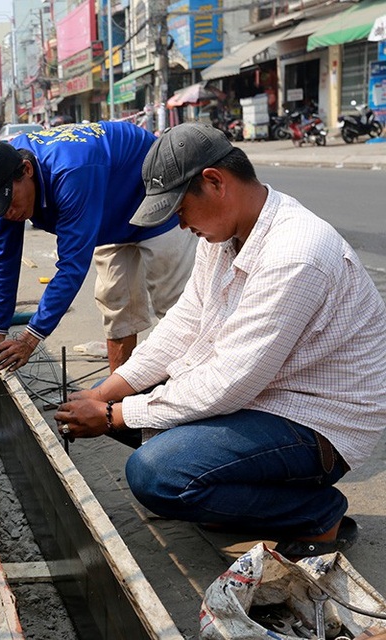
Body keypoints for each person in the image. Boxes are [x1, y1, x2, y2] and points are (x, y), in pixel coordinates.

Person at [55, 122, 386, 557]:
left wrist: (113, 415)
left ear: (214, 182)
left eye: (179, 209)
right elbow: (184, 325)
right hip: (265, 396)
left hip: (316, 420)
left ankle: (316, 513)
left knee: (154, 471)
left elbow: (231, 380)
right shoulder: (226, 231)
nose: (179, 224)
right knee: (131, 410)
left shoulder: (296, 254)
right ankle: (233, 497)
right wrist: (103, 393)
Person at [0, 121, 196, 373]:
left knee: (175, 307)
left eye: (8, 204)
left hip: (153, 198)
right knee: (115, 303)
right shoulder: (2, 177)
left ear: (26, 169)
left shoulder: (70, 172)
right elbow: (4, 256)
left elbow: (72, 266)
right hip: (107, 211)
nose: (8, 214)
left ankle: (191, 388)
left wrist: (30, 338)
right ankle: (120, 392)